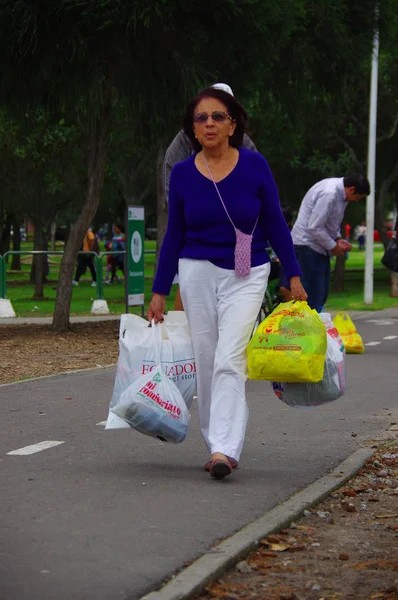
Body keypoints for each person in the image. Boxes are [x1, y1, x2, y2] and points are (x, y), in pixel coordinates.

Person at [148, 87, 307, 480]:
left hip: (247, 272)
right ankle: (213, 437)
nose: (209, 124)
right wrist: (160, 290)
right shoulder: (183, 173)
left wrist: (294, 274)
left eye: (218, 117)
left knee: (229, 358)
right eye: (201, 119)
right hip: (196, 271)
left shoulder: (254, 165)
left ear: (233, 124)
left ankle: (225, 448)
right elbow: (173, 235)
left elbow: (274, 223)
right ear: (192, 128)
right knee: (206, 359)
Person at [162, 83, 258, 311]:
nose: (211, 122)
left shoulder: (245, 143)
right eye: (206, 114)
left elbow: (258, 192)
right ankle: (181, 332)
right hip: (196, 223)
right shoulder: (183, 142)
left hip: (234, 230)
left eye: (220, 114)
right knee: (189, 282)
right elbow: (173, 189)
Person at [291, 174, 370, 311]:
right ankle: (305, 328)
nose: (356, 201)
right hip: (307, 246)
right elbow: (314, 227)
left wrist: (338, 239)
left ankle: (316, 324)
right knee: (311, 296)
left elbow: (330, 223)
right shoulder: (329, 194)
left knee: (321, 294)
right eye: (358, 197)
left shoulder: (340, 196)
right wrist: (333, 246)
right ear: (351, 189)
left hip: (318, 247)